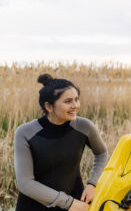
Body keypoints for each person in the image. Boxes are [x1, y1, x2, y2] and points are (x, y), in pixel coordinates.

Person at [14, 74, 108, 211]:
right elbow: (25, 183)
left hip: (76, 202)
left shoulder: (84, 126)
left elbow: (102, 152)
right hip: (34, 206)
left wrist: (92, 183)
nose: (75, 106)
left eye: (77, 99)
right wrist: (68, 203)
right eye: (68, 101)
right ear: (49, 106)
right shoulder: (25, 133)